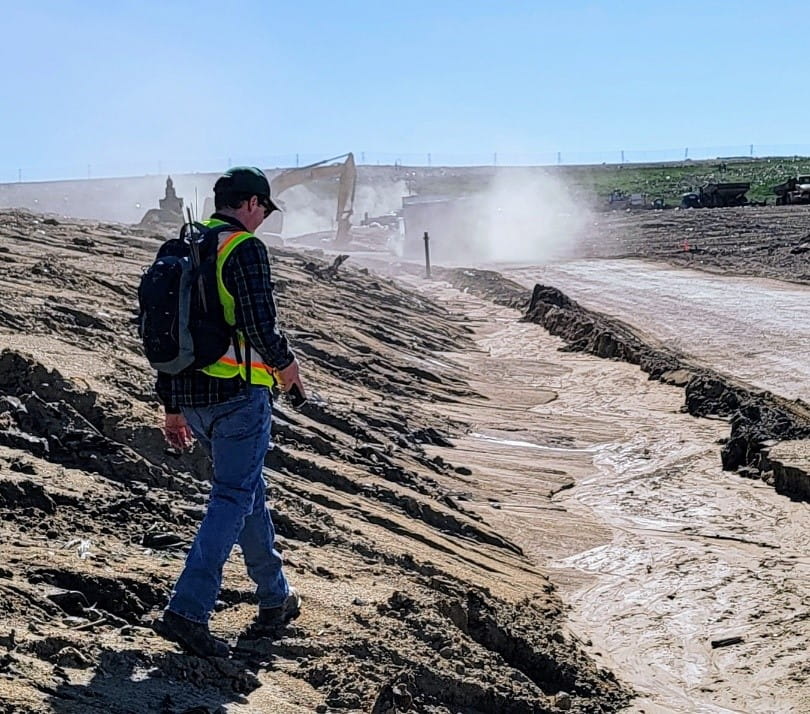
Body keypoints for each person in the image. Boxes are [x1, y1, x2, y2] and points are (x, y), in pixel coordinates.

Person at [154, 166, 306, 657]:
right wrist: (287, 367)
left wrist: (172, 407)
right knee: (232, 497)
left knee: (246, 494)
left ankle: (275, 597)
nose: (263, 220)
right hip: (237, 398)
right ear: (252, 204)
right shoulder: (243, 248)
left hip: (192, 400)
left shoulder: (182, 247)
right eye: (264, 210)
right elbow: (261, 324)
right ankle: (188, 609)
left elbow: (163, 333)